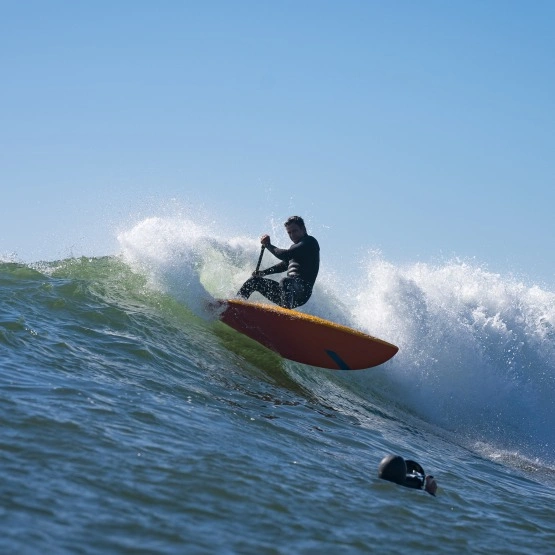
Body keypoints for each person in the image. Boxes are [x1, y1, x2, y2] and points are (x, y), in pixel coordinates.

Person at [237, 216, 320, 309]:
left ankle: (286, 314)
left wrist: (268, 245)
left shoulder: (310, 242)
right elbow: (284, 265)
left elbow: (284, 255)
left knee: (285, 281)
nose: (292, 235)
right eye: (289, 232)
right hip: (287, 292)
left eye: (295, 231)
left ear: (303, 229)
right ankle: (235, 305)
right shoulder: (295, 247)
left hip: (302, 291)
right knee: (254, 281)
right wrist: (263, 273)